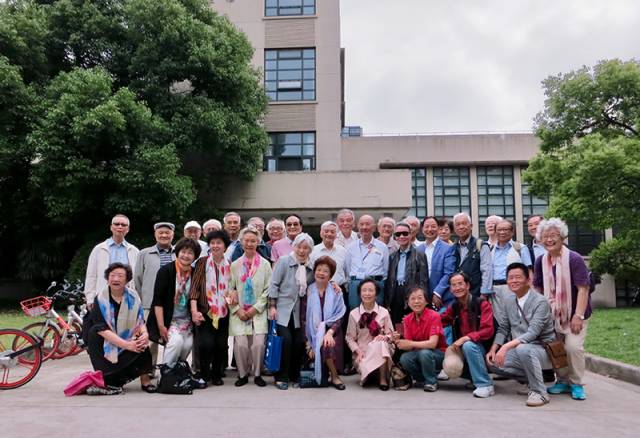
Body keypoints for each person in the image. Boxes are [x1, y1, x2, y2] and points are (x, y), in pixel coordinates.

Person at [533, 218, 592, 401]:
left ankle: (576, 383)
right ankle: (562, 380)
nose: (549, 240)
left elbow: (583, 288)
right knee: (556, 347)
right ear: (540, 239)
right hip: (552, 314)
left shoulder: (574, 258)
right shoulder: (541, 261)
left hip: (575, 312)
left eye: (554, 235)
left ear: (562, 237)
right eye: (545, 236)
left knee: (573, 347)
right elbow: (538, 288)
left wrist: (578, 315)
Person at [486, 262, 556, 407]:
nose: (514, 281)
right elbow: (503, 328)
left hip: (543, 350)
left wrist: (505, 347)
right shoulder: (509, 300)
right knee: (492, 362)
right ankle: (531, 381)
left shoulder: (540, 302)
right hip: (521, 349)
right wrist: (494, 349)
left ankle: (540, 392)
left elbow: (532, 333)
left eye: (518, 277)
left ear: (528, 280)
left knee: (523, 349)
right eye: (510, 278)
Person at [85, 262, 155, 393]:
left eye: (120, 276)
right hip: (104, 345)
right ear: (107, 278)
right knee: (94, 332)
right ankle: (112, 377)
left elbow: (140, 322)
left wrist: (145, 334)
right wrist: (127, 345)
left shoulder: (134, 297)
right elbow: (102, 329)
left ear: (127, 280)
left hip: (127, 340)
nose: (116, 279)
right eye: (113, 275)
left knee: (141, 341)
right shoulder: (100, 299)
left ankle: (146, 381)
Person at [147, 238, 204, 387]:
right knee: (176, 342)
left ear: (195, 256)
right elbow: (158, 301)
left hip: (186, 320)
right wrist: (161, 326)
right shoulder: (166, 271)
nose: (186, 255)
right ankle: (165, 377)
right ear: (177, 252)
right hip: (168, 319)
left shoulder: (195, 273)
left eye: (190, 253)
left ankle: (178, 375)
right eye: (183, 252)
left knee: (187, 345)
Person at [268, 233, 315, 389]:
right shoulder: (284, 261)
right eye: (299, 247)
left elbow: (319, 282)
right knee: (285, 342)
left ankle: (294, 375)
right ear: (293, 247)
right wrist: (272, 306)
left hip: (300, 311)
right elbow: (274, 284)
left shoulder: (311, 266)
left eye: (305, 248)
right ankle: (281, 376)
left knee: (297, 343)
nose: (302, 251)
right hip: (282, 308)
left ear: (310, 249)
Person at [228, 227, 272, 387]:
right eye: (246, 240)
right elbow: (228, 289)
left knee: (258, 343)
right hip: (239, 312)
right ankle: (242, 374)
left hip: (257, 311)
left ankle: (258, 373)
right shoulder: (234, 265)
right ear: (241, 242)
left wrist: (256, 308)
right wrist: (236, 309)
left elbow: (269, 289)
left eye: (253, 241)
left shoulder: (266, 265)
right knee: (240, 344)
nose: (249, 243)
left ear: (258, 242)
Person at [440, 272, 495, 398]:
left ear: (468, 285)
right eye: (454, 285)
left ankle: (485, 384)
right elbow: (440, 320)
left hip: (482, 349)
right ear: (450, 289)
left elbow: (488, 330)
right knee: (451, 364)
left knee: (468, 345)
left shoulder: (481, 303)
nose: (457, 287)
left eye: (460, 284)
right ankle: (473, 378)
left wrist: (466, 338)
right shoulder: (454, 306)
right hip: (463, 349)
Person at [189, 230, 232, 386]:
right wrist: (194, 311)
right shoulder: (202, 263)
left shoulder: (230, 265)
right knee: (206, 344)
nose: (215, 245)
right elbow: (194, 289)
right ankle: (204, 373)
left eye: (219, 243)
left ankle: (216, 374)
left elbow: (233, 288)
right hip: (205, 310)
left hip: (224, 312)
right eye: (212, 243)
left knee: (221, 345)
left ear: (225, 246)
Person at [134, 222, 176, 367]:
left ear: (173, 235)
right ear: (155, 234)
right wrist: (144, 298)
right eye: (160, 232)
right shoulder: (144, 253)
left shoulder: (179, 253)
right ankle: (149, 370)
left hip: (174, 305)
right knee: (150, 340)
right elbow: (138, 279)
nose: (164, 235)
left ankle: (169, 369)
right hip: (149, 305)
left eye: (167, 232)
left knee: (172, 339)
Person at [303, 256, 347, 389]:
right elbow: (303, 318)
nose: (321, 273)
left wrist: (329, 332)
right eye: (319, 269)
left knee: (327, 343)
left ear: (331, 275)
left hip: (333, 331)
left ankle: (334, 376)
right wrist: (308, 343)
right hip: (312, 333)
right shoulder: (307, 291)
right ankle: (328, 374)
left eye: (325, 271)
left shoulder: (336, 291)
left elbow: (340, 316)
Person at [345, 279, 395, 390]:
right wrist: (358, 351)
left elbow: (391, 334)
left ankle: (382, 379)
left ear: (376, 294)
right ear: (360, 293)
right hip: (363, 353)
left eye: (371, 290)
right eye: (364, 290)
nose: (367, 293)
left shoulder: (384, 312)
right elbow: (349, 338)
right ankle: (368, 373)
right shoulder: (354, 314)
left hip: (383, 351)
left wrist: (385, 337)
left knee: (380, 343)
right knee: (367, 376)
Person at [396, 287, 447, 392]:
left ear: (426, 301)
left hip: (438, 354)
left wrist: (410, 343)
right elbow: (408, 347)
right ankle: (421, 378)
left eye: (420, 298)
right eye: (412, 299)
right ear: (408, 303)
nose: (416, 302)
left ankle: (431, 382)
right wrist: (397, 340)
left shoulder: (434, 316)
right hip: (420, 353)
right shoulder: (407, 319)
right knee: (405, 358)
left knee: (425, 353)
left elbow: (433, 344)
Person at [84, 214, 139, 306]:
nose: (120, 226)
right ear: (111, 227)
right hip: (103, 296)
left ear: (128, 229)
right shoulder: (99, 249)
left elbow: (138, 278)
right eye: (116, 224)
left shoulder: (134, 251)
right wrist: (90, 298)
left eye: (123, 225)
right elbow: (91, 275)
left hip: (127, 297)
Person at [385, 222, 428, 324]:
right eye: (398, 234)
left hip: (412, 292)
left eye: (405, 233)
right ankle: (400, 340)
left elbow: (423, 280)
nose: (401, 236)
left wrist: (422, 299)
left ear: (411, 234)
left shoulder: (420, 254)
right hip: (396, 293)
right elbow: (389, 279)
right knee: (398, 324)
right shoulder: (392, 256)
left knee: (412, 323)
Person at [490, 219, 532, 322]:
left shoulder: (520, 248)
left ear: (512, 232)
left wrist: (530, 290)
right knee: (500, 320)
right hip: (495, 290)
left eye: (506, 229)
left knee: (517, 318)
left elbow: (529, 272)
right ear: (495, 232)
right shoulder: (490, 249)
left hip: (515, 288)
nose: (502, 232)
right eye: (499, 229)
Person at [345, 214, 389, 308]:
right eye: (362, 224)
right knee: (355, 314)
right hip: (356, 284)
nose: (364, 227)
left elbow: (386, 269)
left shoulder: (382, 247)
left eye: (367, 224)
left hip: (376, 284)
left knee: (376, 316)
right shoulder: (350, 247)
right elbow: (348, 269)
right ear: (358, 226)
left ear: (374, 227)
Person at [417, 216, 456, 312]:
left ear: (438, 228)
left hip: (442, 298)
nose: (430, 229)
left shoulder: (447, 248)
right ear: (422, 229)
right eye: (427, 227)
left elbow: (449, 273)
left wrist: (437, 292)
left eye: (433, 226)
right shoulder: (418, 249)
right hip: (422, 297)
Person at [452, 212, 493, 298]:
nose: (461, 227)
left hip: (476, 294)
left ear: (471, 226)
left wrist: (484, 293)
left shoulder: (481, 245)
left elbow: (487, 271)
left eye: (464, 223)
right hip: (457, 296)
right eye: (458, 224)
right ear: (454, 228)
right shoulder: (453, 247)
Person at [310, 221, 349, 290]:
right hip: (319, 289)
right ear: (321, 233)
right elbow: (311, 273)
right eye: (326, 231)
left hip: (339, 289)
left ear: (336, 235)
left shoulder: (343, 251)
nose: (329, 234)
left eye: (332, 232)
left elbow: (347, 273)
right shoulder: (313, 251)